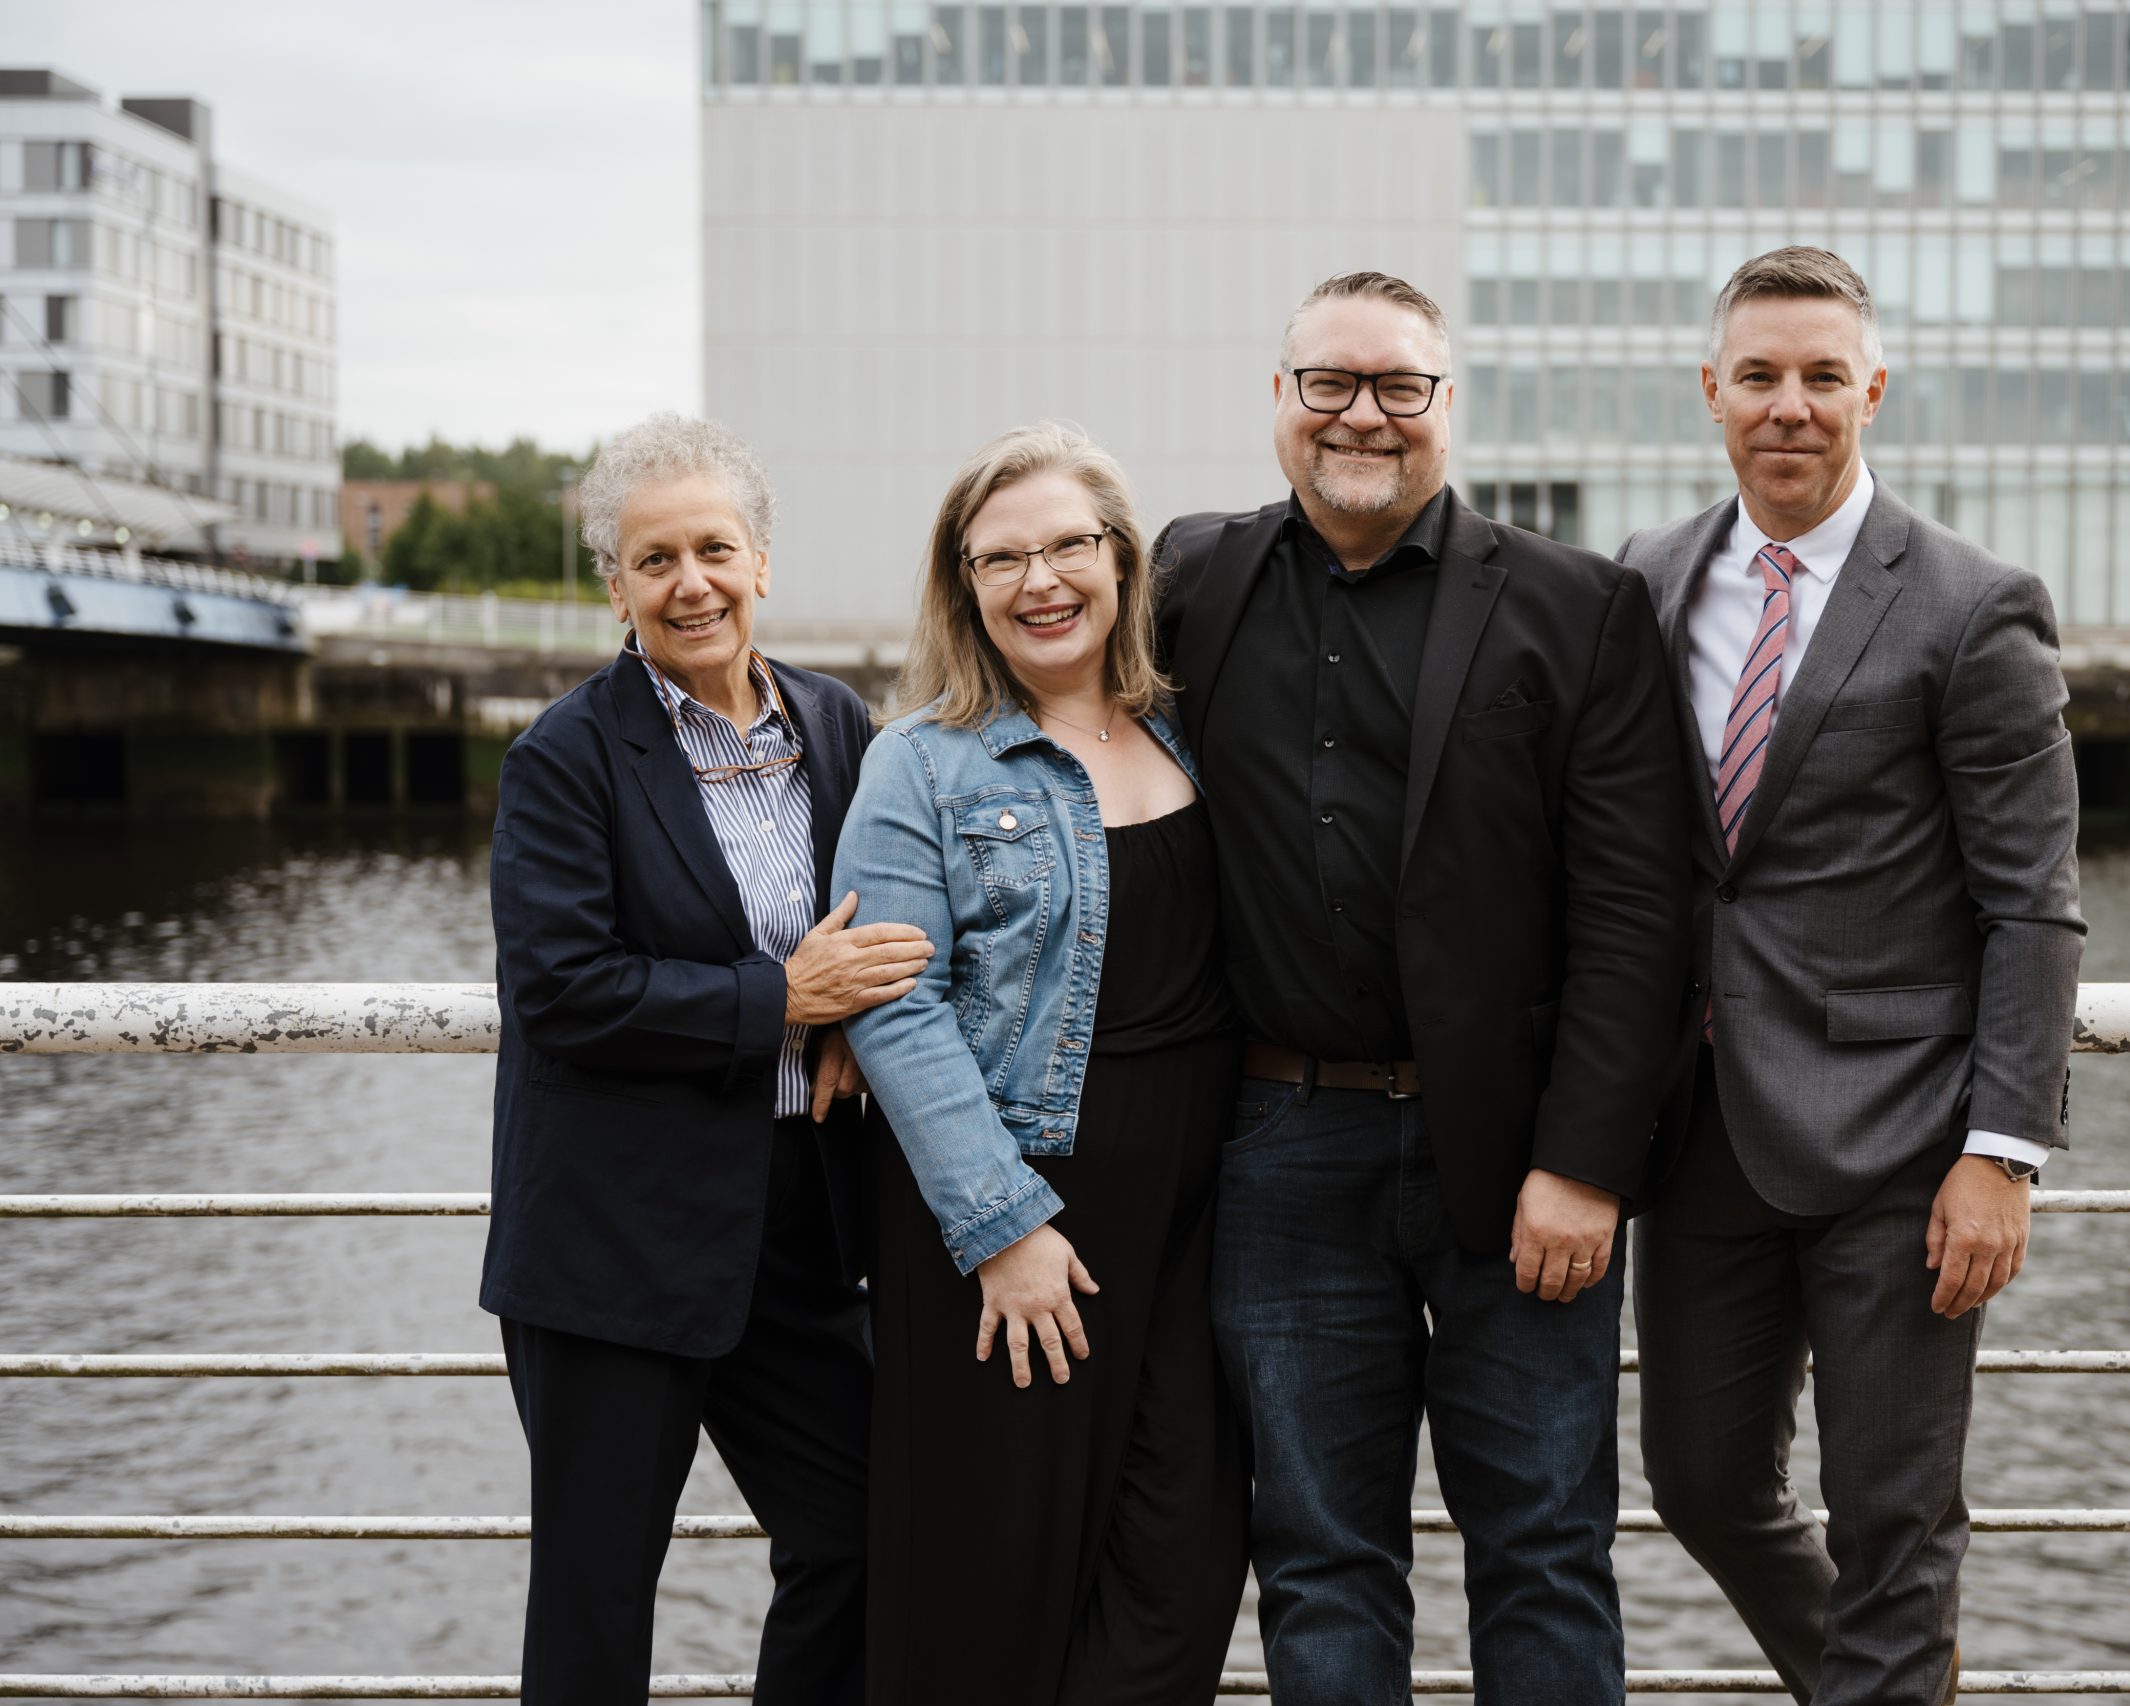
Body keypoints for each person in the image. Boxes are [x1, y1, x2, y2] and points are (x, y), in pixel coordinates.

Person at [1152, 271, 1693, 1705]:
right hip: (1278, 1149)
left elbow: (1642, 914)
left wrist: (1585, 1163)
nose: (1362, 415)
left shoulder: (1583, 607)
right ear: (1279, 401)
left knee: (1546, 1547)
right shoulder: (1188, 583)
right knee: (1320, 1554)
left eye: (1400, 386)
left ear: (1449, 406)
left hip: (1524, 1165)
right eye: (1329, 382)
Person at [1620, 246, 2085, 1706]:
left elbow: (2034, 907)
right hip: (1696, 1139)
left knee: (1895, 1523)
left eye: (1824, 375)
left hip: (1901, 1147)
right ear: (1711, 392)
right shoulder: (1642, 582)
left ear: (1872, 388)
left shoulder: (1972, 605)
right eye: (1758, 374)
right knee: (1698, 1480)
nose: (1791, 404)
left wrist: (2000, 1153)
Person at [482, 412, 930, 1705]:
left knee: (860, 1534)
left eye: (715, 549)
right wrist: (784, 998)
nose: (692, 583)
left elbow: (889, 916)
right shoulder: (565, 758)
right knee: (597, 1596)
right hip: (615, 1244)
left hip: (799, 1228)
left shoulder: (843, 726)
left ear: (763, 563)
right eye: (655, 558)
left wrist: (850, 1015)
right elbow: (565, 991)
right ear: (613, 587)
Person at [835, 421, 1248, 1705]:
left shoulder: (1191, 728)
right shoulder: (923, 758)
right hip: (1016, 1223)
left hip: (1193, 1227)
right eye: (999, 557)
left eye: (1068, 544)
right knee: (989, 1594)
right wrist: (1005, 1225)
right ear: (964, 585)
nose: (1039, 580)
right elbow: (894, 1005)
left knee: (1182, 1568)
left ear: (1120, 559)